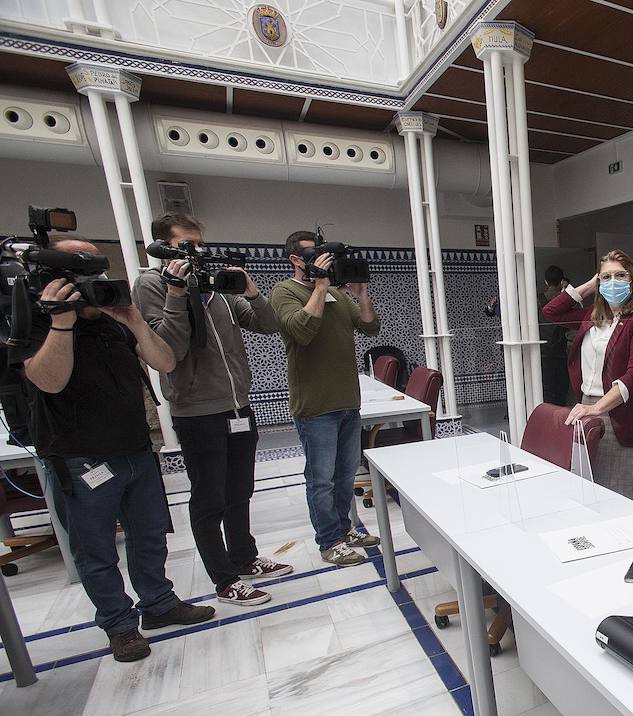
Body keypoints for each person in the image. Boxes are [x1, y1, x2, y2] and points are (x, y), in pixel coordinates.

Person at [19, 237, 214, 662]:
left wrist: (133, 320)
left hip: (136, 449)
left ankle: (159, 604)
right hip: (80, 456)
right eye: (81, 273)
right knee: (96, 549)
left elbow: (164, 363)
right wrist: (61, 322)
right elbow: (49, 381)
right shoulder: (36, 321)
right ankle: (119, 625)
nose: (94, 282)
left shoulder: (113, 322)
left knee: (149, 536)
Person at [134, 213, 292, 607]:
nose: (197, 252)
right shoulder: (151, 285)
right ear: (163, 247)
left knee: (240, 490)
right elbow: (169, 349)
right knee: (209, 498)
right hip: (197, 410)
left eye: (200, 244)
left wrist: (251, 290)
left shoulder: (216, 287)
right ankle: (223, 580)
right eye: (188, 244)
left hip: (238, 405)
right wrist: (176, 292)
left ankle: (244, 557)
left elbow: (269, 324)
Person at [270, 230, 381, 567]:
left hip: (348, 400)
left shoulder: (336, 293)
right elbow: (301, 330)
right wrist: (318, 287)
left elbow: (370, 328)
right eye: (311, 254)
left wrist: (360, 295)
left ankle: (345, 530)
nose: (321, 261)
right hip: (315, 406)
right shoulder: (284, 291)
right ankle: (329, 541)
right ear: (294, 259)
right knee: (321, 478)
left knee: (346, 473)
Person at [542, 250, 633, 500]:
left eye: (620, 275)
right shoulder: (592, 317)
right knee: (586, 493)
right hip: (585, 408)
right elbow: (551, 312)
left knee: (619, 498)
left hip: (621, 415)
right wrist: (588, 285)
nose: (613, 281)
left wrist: (597, 408)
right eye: (606, 277)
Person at [539, 265, 572, 406]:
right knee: (561, 391)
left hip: (542, 353)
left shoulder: (538, 300)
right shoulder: (566, 301)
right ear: (561, 281)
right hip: (561, 353)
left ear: (546, 281)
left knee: (547, 390)